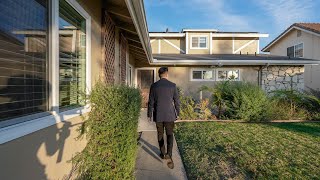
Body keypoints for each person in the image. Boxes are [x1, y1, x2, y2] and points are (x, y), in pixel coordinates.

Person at [147, 67, 180, 169]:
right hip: (170, 115)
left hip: (159, 115)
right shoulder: (172, 85)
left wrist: (149, 114)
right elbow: (177, 101)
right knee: (170, 134)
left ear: (159, 75)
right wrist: (177, 113)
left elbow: (151, 102)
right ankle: (169, 154)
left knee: (160, 134)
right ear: (167, 74)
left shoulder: (154, 86)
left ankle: (162, 153)